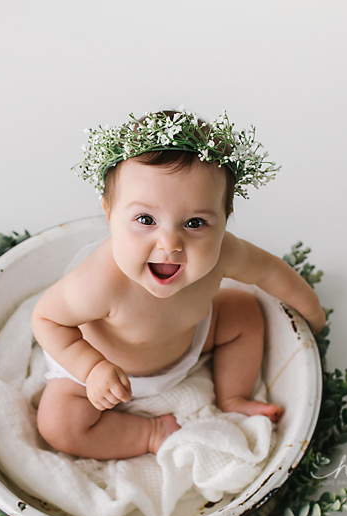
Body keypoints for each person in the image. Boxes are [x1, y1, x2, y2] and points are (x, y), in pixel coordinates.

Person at [31, 109, 326, 460]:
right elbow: (46, 320)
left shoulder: (226, 253)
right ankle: (151, 433)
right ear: (109, 213)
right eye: (145, 220)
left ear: (225, 221)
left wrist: (313, 313)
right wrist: (90, 367)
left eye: (196, 223)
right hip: (101, 373)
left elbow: (270, 272)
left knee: (245, 311)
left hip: (189, 343)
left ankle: (232, 397)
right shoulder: (99, 281)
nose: (170, 243)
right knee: (58, 424)